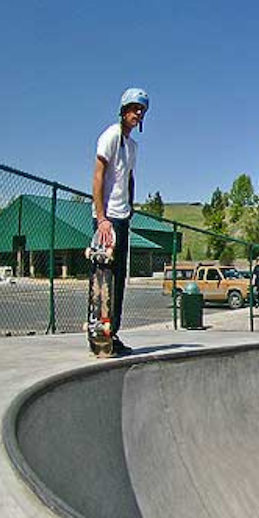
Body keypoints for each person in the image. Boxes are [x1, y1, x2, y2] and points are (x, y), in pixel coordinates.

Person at [90, 87, 149, 356]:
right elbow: (99, 176)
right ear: (123, 109)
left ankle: (112, 333)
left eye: (142, 110)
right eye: (135, 108)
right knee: (104, 275)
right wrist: (101, 218)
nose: (138, 113)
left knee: (119, 278)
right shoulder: (110, 136)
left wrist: (131, 207)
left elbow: (129, 178)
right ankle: (98, 330)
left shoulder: (133, 146)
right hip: (108, 219)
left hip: (123, 217)